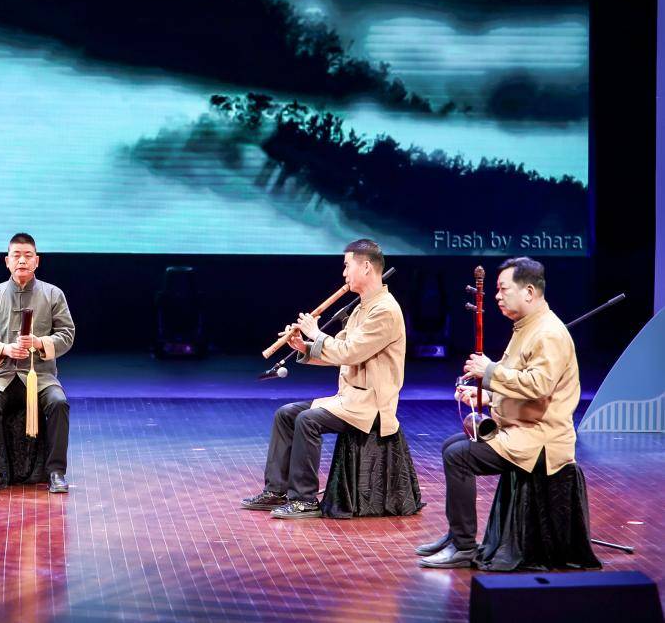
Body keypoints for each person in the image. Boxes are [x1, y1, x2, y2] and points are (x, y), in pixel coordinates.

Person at [417, 257, 580, 568]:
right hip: (520, 428)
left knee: (459, 456)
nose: (496, 296)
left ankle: (464, 547)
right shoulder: (526, 327)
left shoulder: (548, 333)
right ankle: (456, 535)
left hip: (541, 439)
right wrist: (486, 397)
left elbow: (539, 386)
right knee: (452, 445)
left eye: (503, 289)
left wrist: (489, 371)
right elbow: (518, 381)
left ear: (529, 292)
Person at [241, 238, 406, 518]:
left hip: (371, 404)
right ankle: (276, 490)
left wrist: (316, 333)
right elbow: (336, 352)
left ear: (366, 267)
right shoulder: (362, 308)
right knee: (286, 414)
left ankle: (304, 499)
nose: (344, 273)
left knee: (308, 420)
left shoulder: (385, 310)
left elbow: (349, 352)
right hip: (349, 399)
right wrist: (304, 347)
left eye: (347, 266)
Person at [0, 233, 75, 493]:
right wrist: (4, 348)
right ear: (7, 261)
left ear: (37, 261)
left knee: (59, 402)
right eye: (16, 255)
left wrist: (39, 343)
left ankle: (56, 472)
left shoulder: (53, 294)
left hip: (40, 377)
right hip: (2, 376)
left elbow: (67, 334)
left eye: (28, 256)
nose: (22, 261)